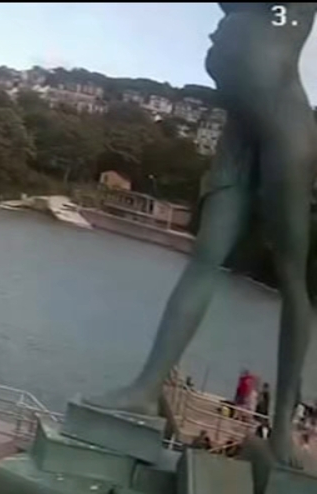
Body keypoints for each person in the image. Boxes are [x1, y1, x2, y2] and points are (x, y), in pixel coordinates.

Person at [88, 2, 317, 468]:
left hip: (284, 131)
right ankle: (147, 388)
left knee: (293, 276)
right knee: (206, 256)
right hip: (239, 132)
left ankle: (282, 434)